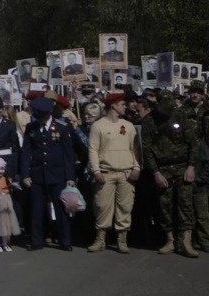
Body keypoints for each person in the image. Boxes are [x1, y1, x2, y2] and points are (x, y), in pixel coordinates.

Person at [142, 90, 200, 257]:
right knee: (165, 205)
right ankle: (170, 240)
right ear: (158, 104)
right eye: (166, 107)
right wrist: (155, 172)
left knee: (185, 204)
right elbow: (147, 150)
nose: (170, 110)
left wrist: (191, 166)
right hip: (163, 168)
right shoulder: (149, 121)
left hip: (182, 166)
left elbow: (192, 143)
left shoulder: (180, 115)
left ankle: (186, 241)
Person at [87, 93, 142, 253]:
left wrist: (136, 167)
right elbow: (93, 149)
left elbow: (136, 150)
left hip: (126, 173)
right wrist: (96, 170)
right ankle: (100, 239)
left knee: (125, 207)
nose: (126, 106)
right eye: (122, 104)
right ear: (113, 105)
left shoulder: (129, 125)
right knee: (102, 206)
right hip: (106, 173)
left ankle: (122, 239)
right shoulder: (98, 126)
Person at [21, 96, 77, 251]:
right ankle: (36, 240)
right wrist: (25, 174)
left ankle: (65, 241)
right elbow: (26, 152)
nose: (36, 116)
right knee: (36, 209)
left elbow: (68, 154)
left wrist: (70, 176)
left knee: (61, 209)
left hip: (57, 174)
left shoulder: (61, 126)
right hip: (37, 174)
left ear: (46, 113)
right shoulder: (31, 127)